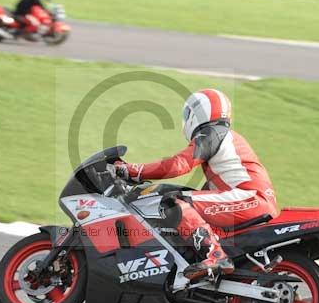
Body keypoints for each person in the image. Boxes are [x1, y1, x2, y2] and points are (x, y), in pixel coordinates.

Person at [114, 89, 279, 281]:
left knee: (172, 203)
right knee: (184, 201)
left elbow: (178, 165)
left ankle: (215, 256)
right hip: (251, 198)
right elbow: (211, 190)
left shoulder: (212, 133)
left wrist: (132, 170)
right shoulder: (223, 137)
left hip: (249, 197)